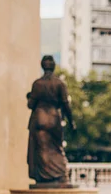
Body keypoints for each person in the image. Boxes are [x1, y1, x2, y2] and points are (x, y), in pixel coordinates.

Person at [27, 55, 76, 184]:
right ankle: (58, 175)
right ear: (54, 66)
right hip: (54, 118)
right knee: (56, 148)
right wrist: (72, 122)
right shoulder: (59, 83)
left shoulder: (37, 84)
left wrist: (30, 97)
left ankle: (44, 177)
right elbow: (66, 104)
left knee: (42, 149)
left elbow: (31, 105)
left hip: (40, 117)